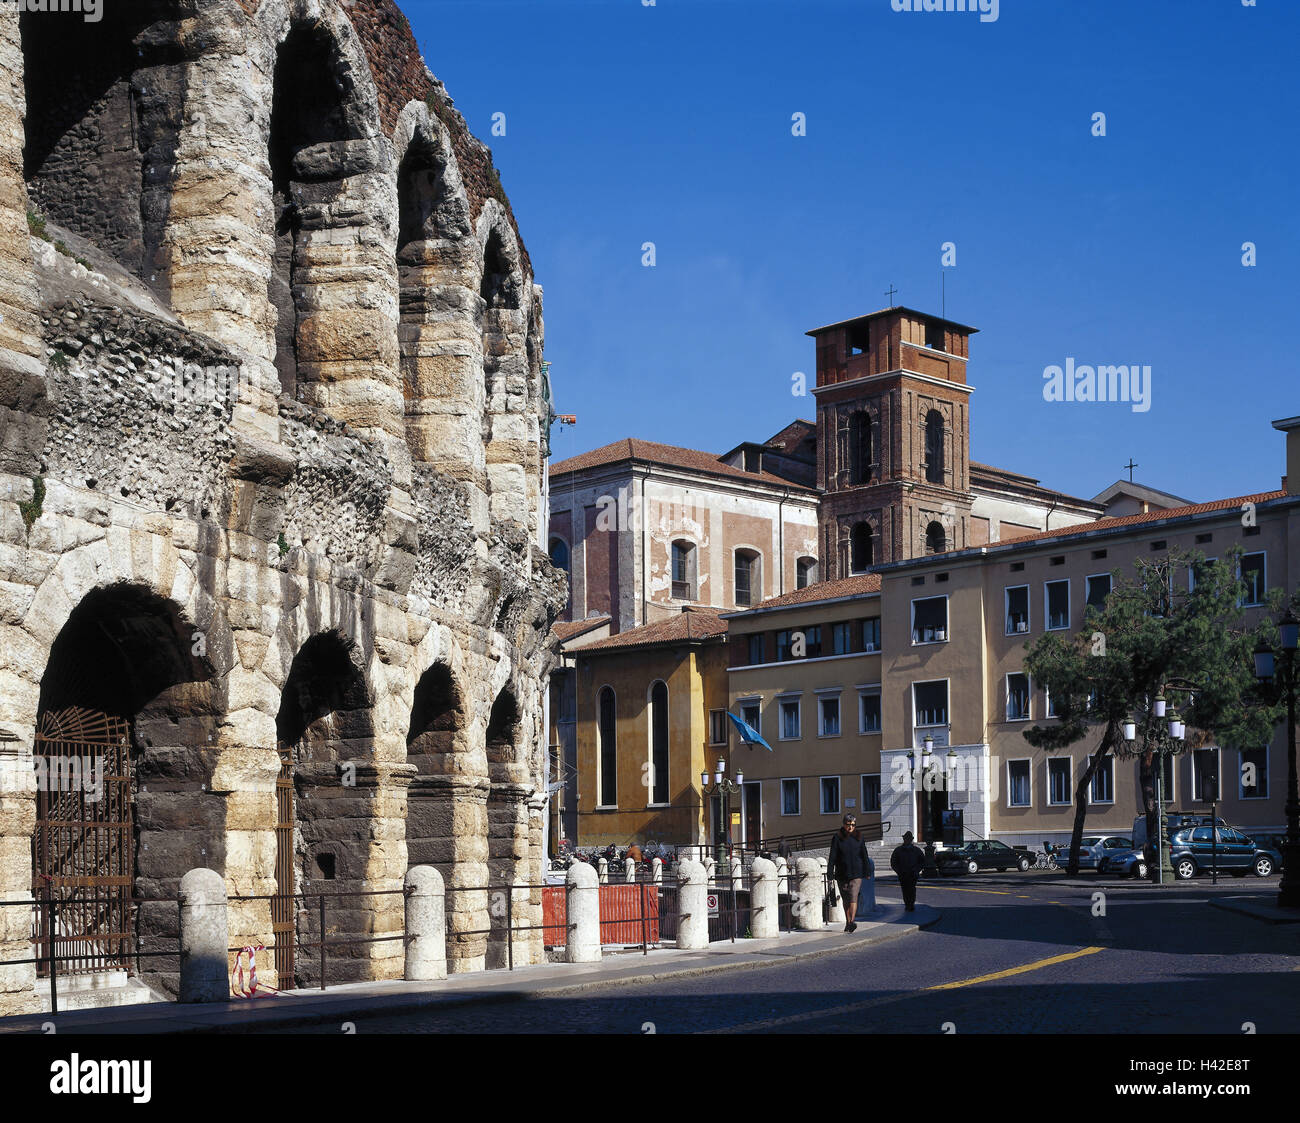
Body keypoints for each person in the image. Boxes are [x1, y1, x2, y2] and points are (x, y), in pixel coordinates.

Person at [828, 814, 869, 933]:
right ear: (844, 824)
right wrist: (830, 873)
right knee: (845, 899)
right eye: (848, 824)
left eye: (853, 825)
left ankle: (852, 921)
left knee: (853, 897)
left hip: (856, 873)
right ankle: (848, 922)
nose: (850, 827)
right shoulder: (837, 837)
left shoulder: (859, 837)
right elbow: (832, 857)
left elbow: (864, 855)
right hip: (842, 873)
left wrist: (867, 871)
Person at [890, 831, 926, 912]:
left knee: (912, 889)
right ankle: (907, 904)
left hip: (913, 874)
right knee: (905, 889)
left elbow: (922, 861)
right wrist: (899, 871)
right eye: (906, 838)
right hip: (903, 874)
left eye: (909, 839)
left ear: (911, 840)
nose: (907, 840)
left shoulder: (916, 850)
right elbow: (893, 862)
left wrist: (917, 870)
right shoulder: (898, 850)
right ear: (904, 839)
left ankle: (911, 904)